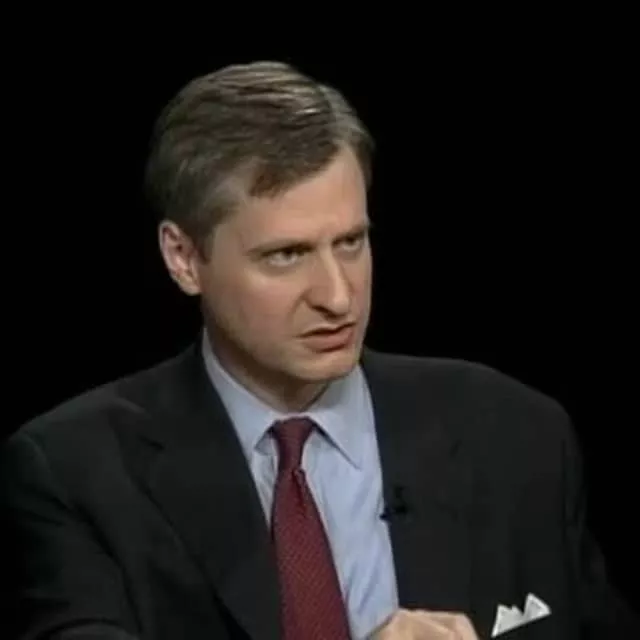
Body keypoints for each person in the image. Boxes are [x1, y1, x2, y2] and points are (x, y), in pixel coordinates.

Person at [0, 61, 637, 640]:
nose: (337, 296)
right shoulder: (76, 474)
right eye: (287, 255)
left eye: (351, 243)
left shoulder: (518, 436)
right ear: (184, 257)